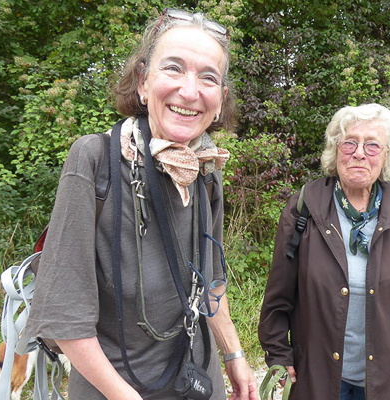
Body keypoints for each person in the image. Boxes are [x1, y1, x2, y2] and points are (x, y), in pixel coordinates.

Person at [25, 9, 258, 400]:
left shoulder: (206, 171)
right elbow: (65, 317)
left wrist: (234, 354)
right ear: (143, 82)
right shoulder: (94, 160)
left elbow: (211, 280)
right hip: (111, 387)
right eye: (173, 68)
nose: (190, 91)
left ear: (220, 100)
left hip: (197, 380)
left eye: (208, 77)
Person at [258, 103, 390, 400]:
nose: (359, 153)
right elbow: (278, 296)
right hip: (316, 378)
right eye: (350, 142)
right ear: (336, 150)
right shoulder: (304, 207)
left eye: (372, 145)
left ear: (386, 155)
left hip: (387, 381)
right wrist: (279, 355)